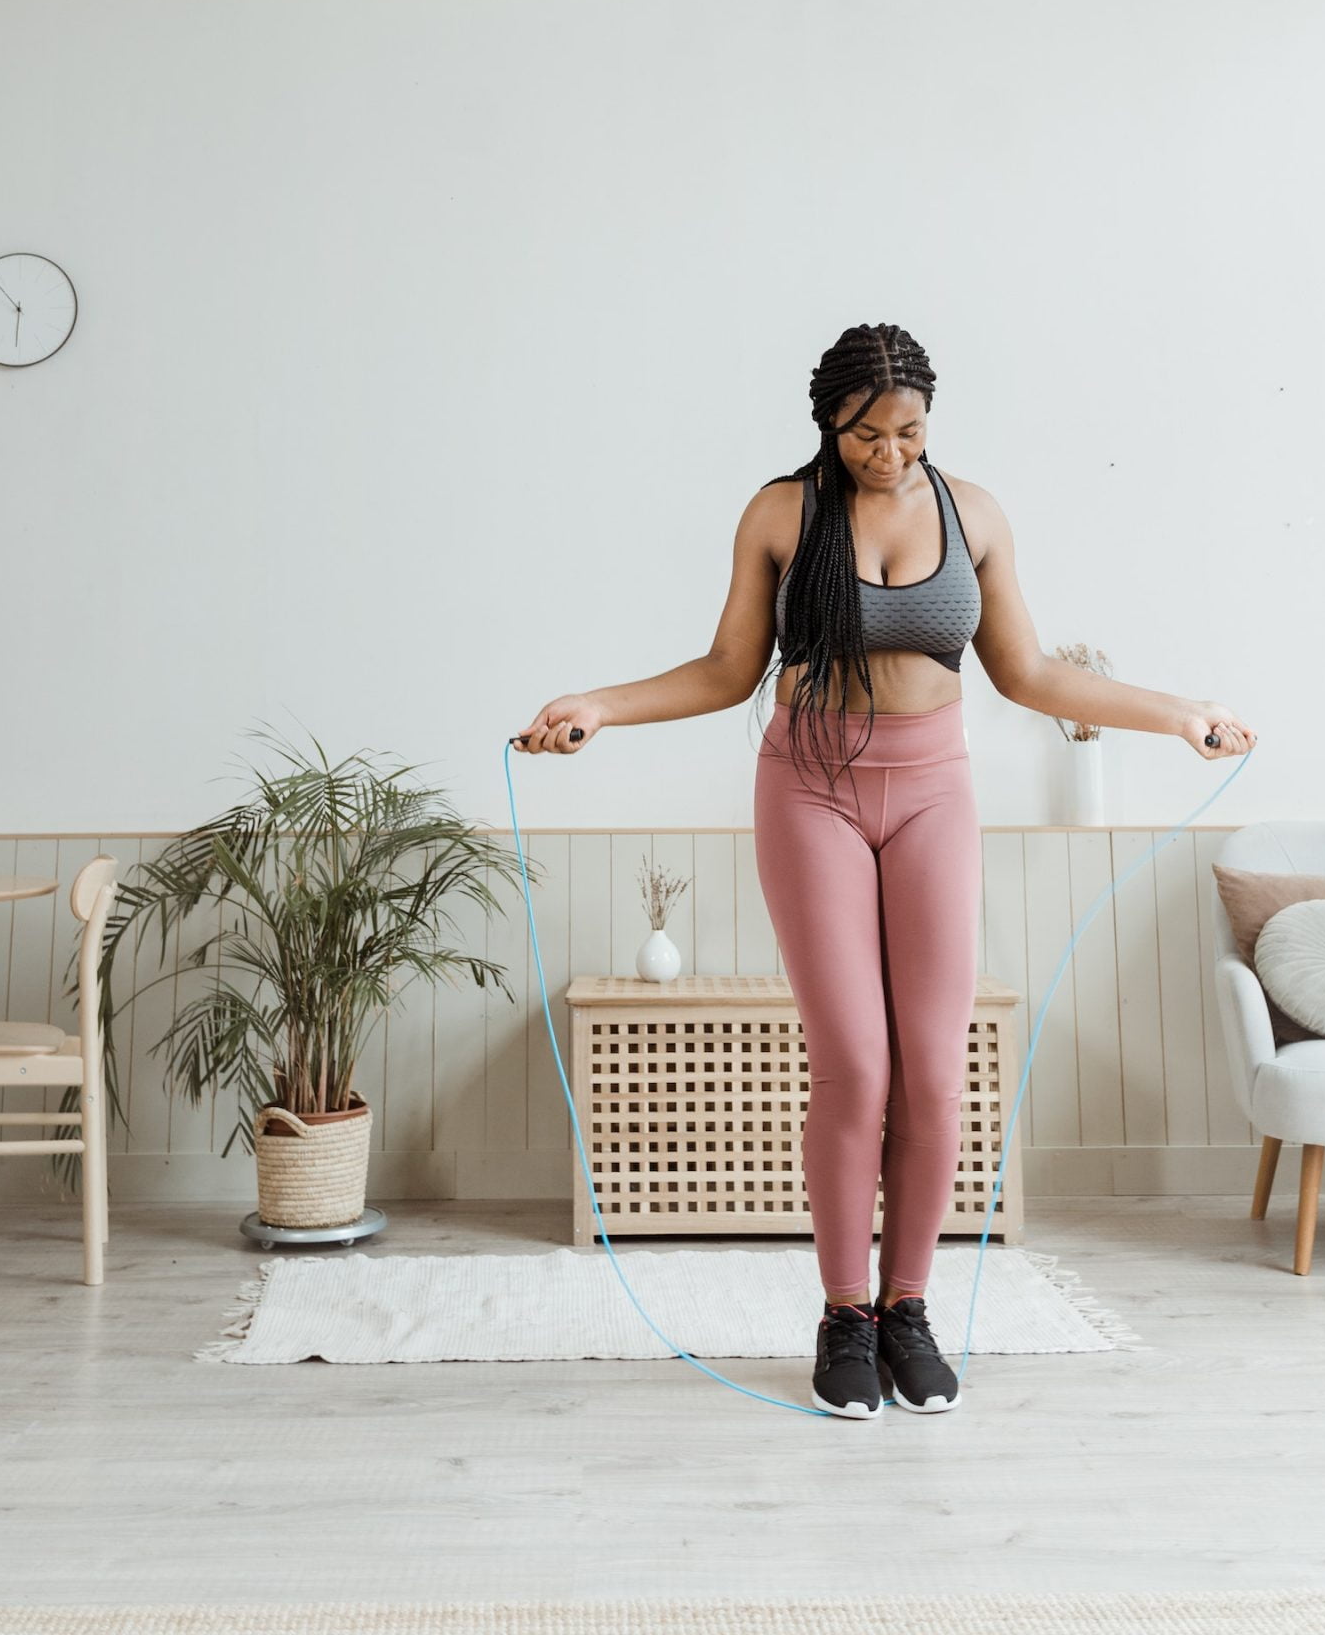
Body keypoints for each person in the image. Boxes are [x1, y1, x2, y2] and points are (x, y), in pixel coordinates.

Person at [513, 321, 1255, 1420]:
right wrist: (599, 706)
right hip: (807, 788)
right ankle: (843, 1313)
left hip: (934, 793)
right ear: (830, 422)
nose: (894, 453)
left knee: (935, 1067)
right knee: (857, 1063)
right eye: (870, 434)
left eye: (911, 431)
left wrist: (1177, 713)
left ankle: (909, 1309)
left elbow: (1033, 671)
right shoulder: (782, 511)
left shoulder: (976, 512)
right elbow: (729, 670)